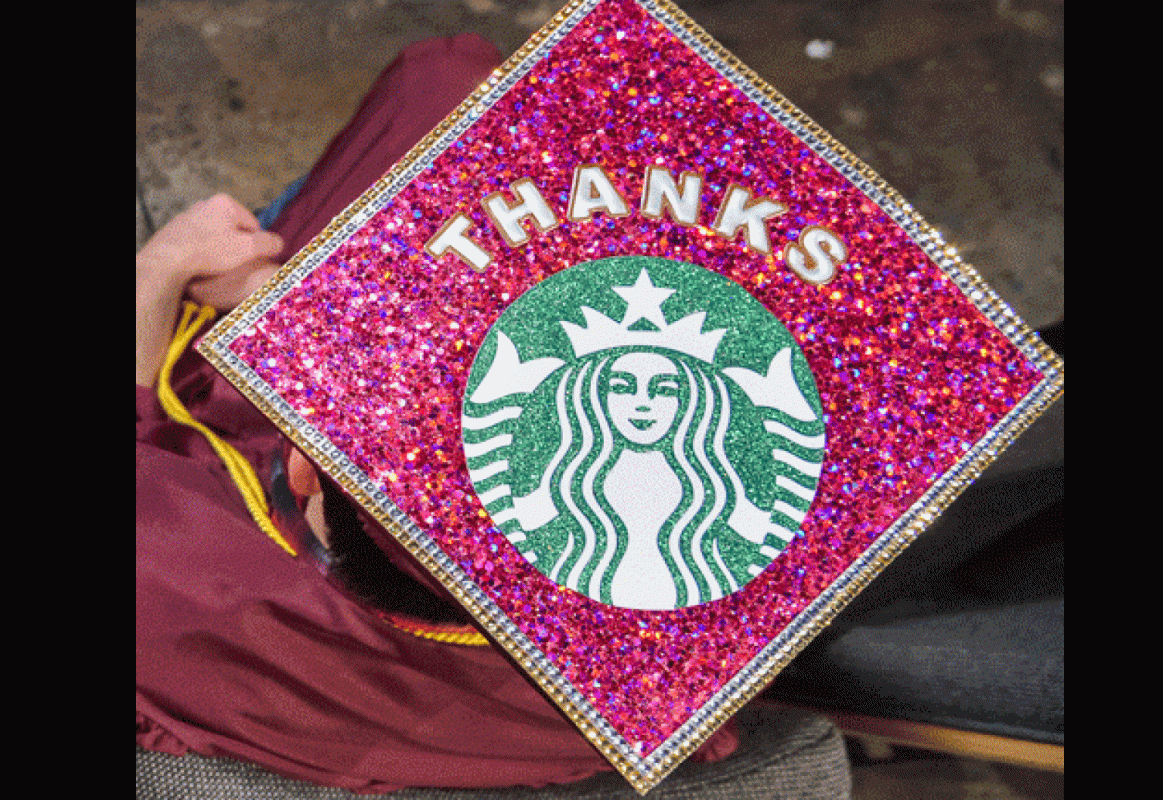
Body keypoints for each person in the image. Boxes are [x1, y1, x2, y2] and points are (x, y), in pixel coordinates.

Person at [136, 34, 743, 794]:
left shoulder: (168, 568)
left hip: (206, 447)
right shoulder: (649, 661)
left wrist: (165, 267)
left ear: (304, 461)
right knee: (459, 82)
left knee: (442, 74)